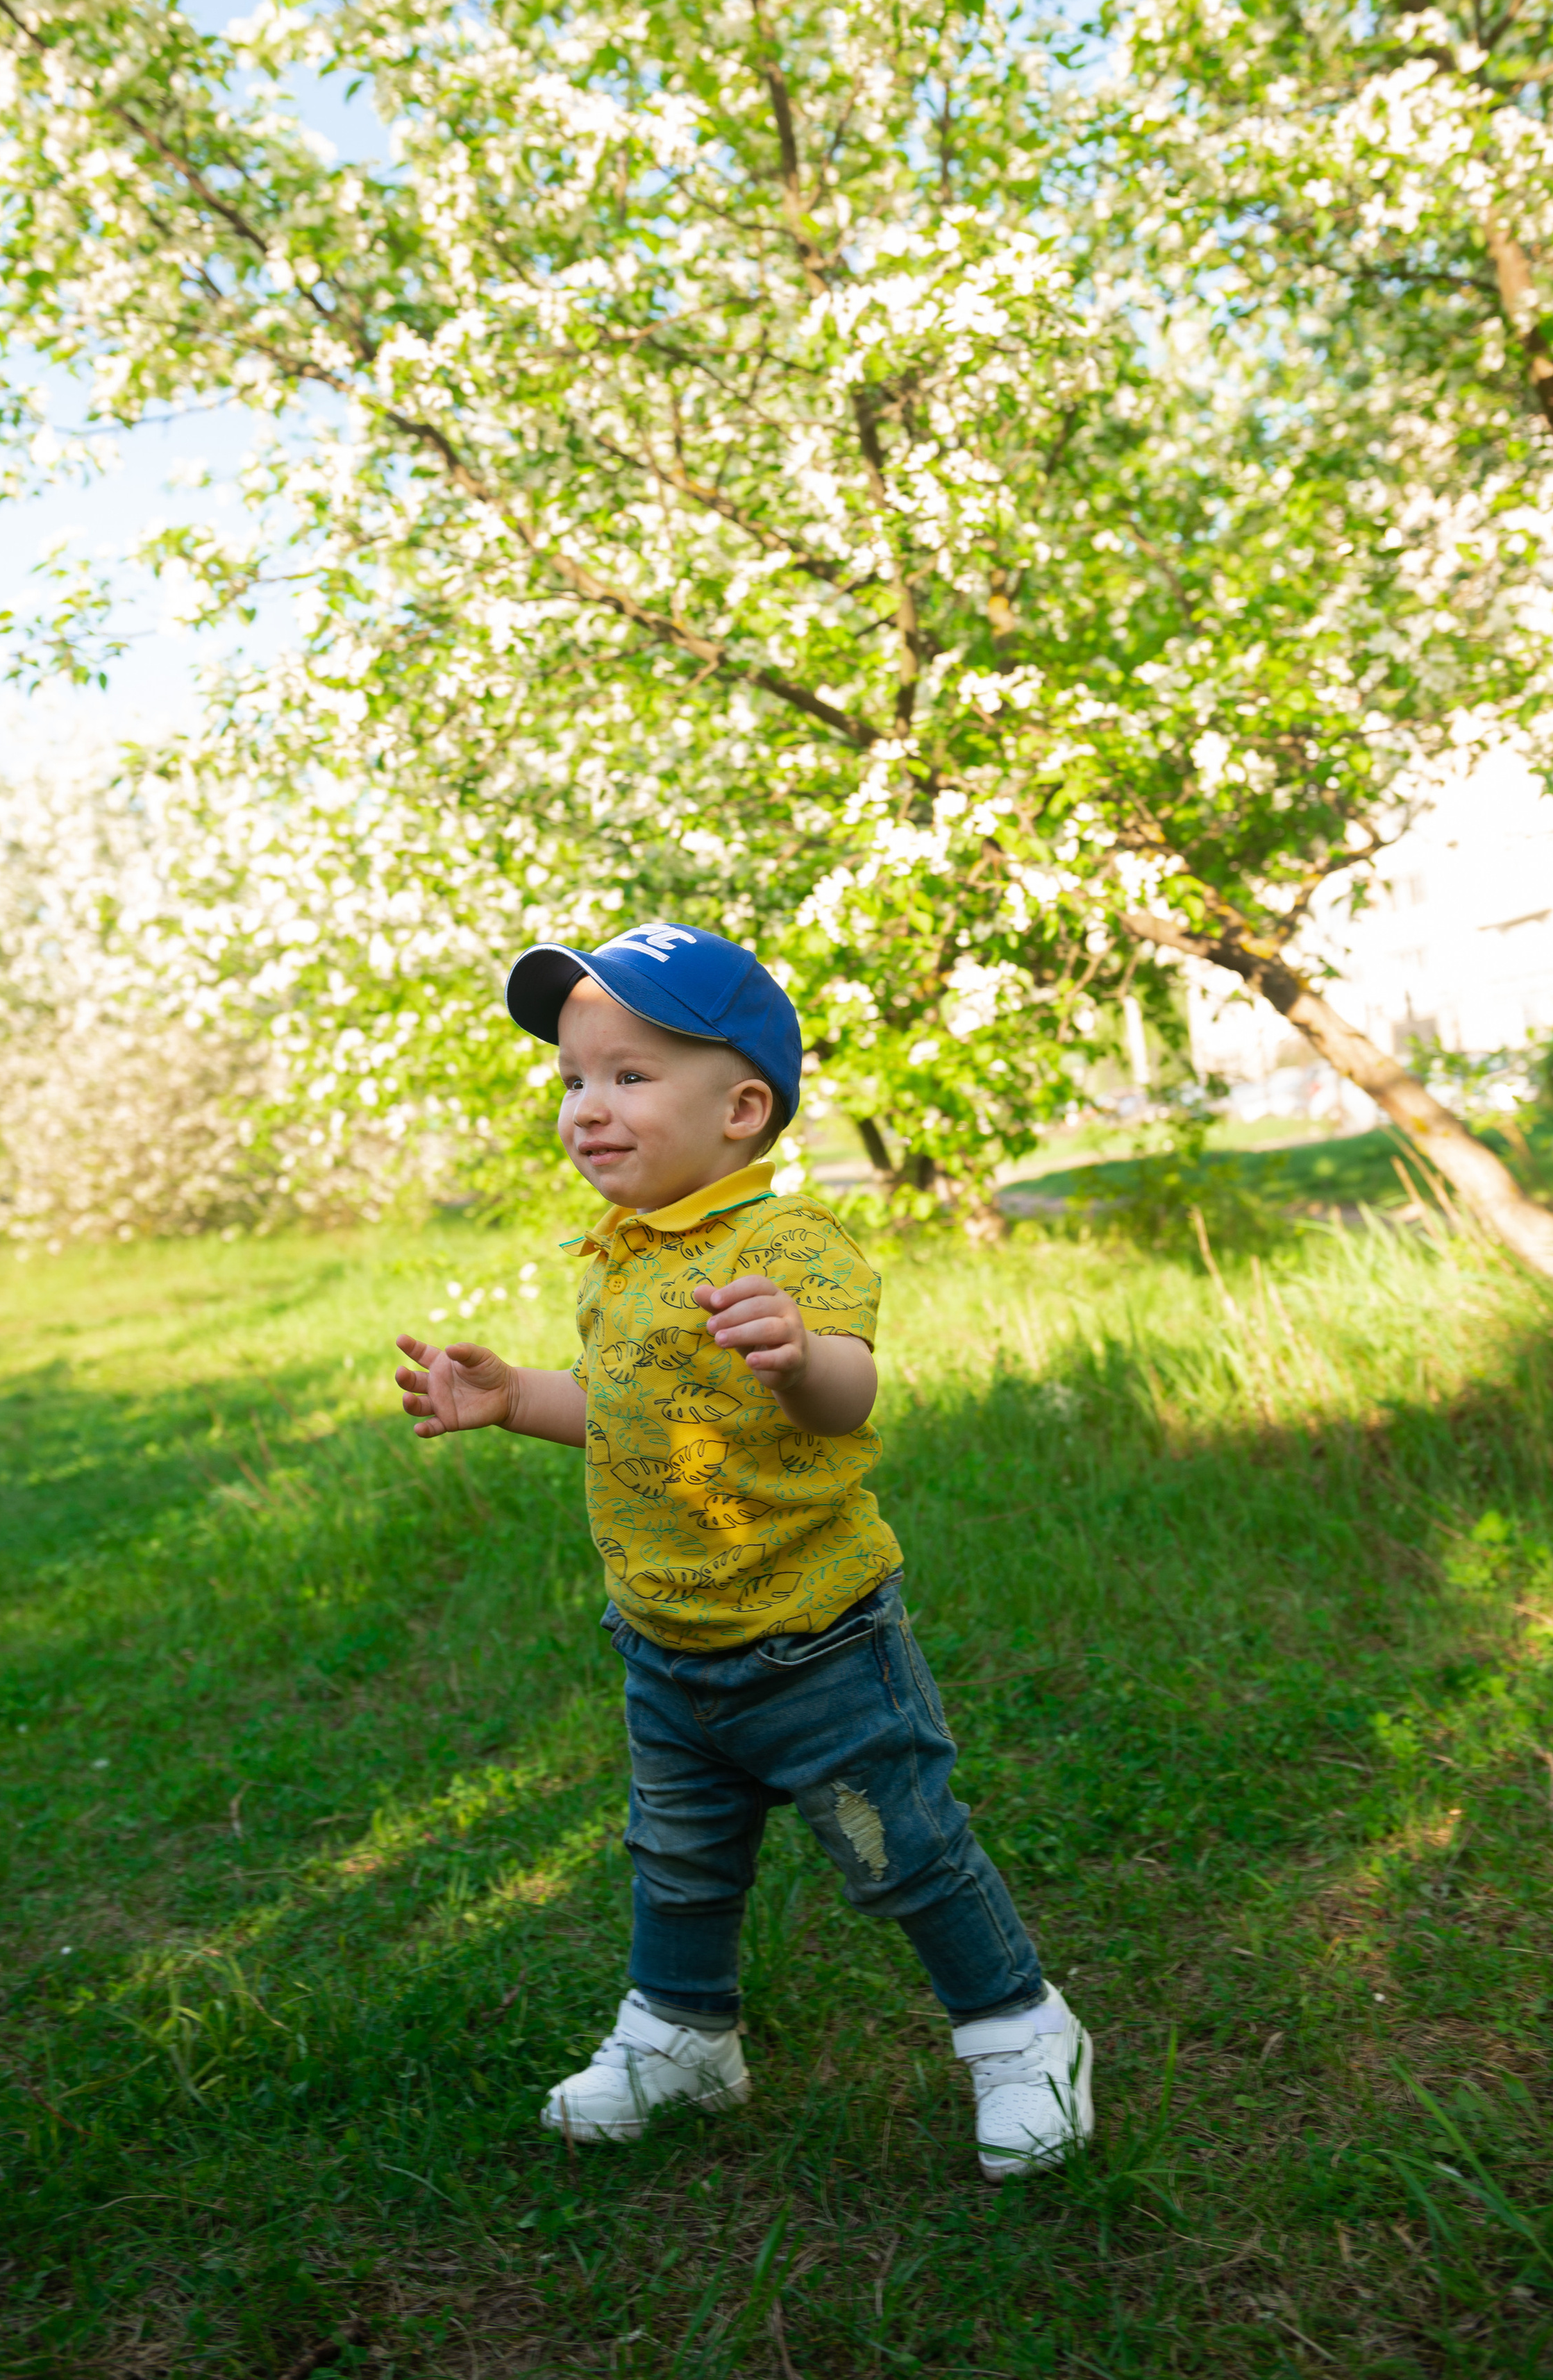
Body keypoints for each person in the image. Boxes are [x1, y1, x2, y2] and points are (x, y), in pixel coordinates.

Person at [392, 921, 1091, 2179]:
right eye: (571, 1081)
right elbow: (625, 1409)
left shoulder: (790, 1247)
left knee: (902, 1848)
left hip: (816, 1643)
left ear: (743, 1106)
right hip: (668, 1645)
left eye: (628, 1077)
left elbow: (850, 1395)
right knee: (677, 1859)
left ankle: (1020, 2033)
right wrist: (512, 1400)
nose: (587, 1110)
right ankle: (682, 2040)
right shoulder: (620, 1257)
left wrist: (800, 1353)